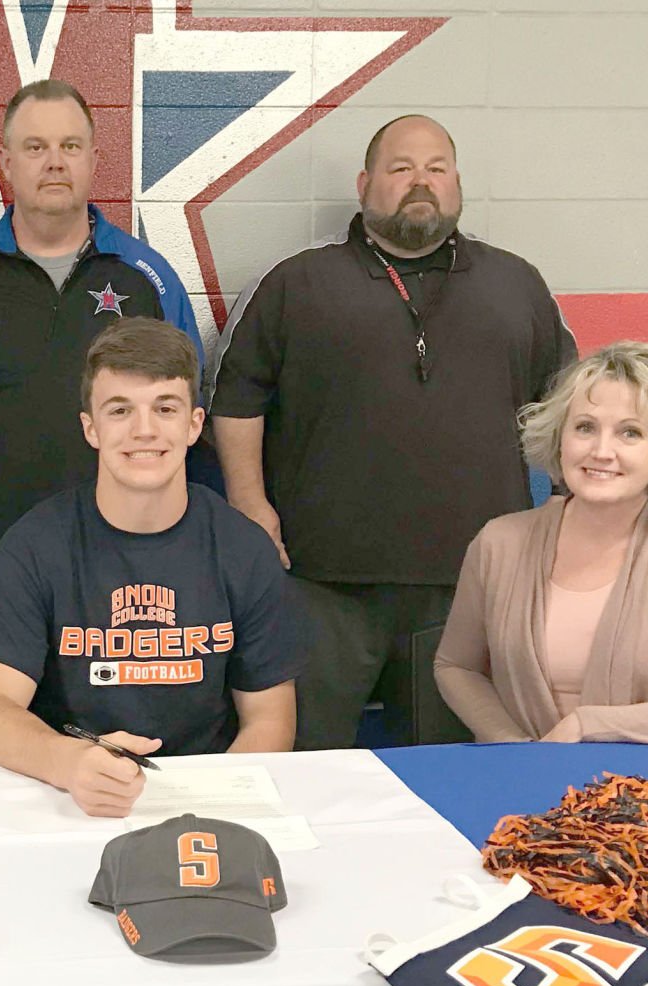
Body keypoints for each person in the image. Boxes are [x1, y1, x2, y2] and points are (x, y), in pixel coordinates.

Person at [210, 113, 576, 749]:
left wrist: (568, 511)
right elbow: (236, 398)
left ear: (457, 183)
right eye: (401, 168)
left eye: (437, 168)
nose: (421, 181)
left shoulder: (516, 284)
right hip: (322, 584)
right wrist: (248, 502)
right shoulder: (296, 281)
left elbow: (569, 405)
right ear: (364, 184)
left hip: (469, 586)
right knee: (306, 761)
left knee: (447, 770)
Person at [0, 78, 204, 662]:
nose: (54, 162)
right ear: (6, 161)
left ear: (94, 158)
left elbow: (182, 414)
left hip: (121, 563)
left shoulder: (148, 275)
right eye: (35, 146)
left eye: (70, 146)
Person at [0, 319, 299, 817]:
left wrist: (208, 805)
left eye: (165, 408)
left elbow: (270, 719)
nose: (144, 430)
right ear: (91, 428)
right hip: (68, 795)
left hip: (208, 793)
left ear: (194, 424)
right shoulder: (35, 545)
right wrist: (68, 762)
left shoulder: (243, 548)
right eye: (120, 410)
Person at [434, 342, 648, 745]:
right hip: (516, 774)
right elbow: (457, 667)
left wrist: (589, 725)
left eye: (630, 433)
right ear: (560, 436)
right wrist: (513, 745)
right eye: (585, 427)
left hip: (642, 783)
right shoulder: (499, 542)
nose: (601, 451)